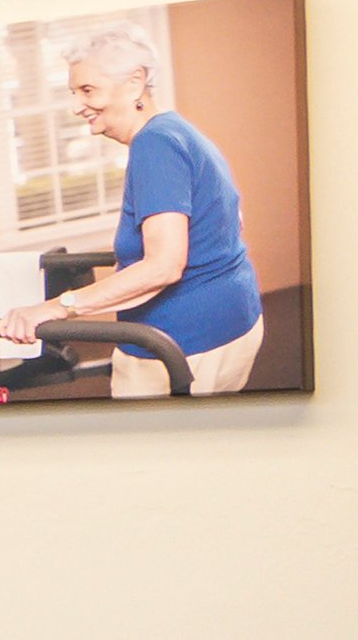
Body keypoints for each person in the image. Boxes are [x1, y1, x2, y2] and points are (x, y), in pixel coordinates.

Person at [49, 32, 265, 396]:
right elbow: (229, 218)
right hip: (233, 319)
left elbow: (163, 267)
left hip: (183, 341)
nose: (76, 106)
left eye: (87, 90)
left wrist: (58, 307)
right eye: (74, 93)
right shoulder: (177, 130)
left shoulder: (155, 145)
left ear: (135, 82)